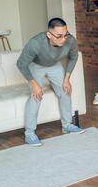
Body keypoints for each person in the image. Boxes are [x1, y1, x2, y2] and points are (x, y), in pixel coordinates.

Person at [17, 18, 84, 146]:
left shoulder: (70, 40)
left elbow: (74, 57)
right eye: (59, 36)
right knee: (36, 95)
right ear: (49, 34)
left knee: (66, 90)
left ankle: (67, 125)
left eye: (66, 34)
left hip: (54, 65)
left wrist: (67, 79)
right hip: (36, 65)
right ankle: (29, 134)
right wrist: (35, 85)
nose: (64, 39)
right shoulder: (35, 43)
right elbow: (21, 64)